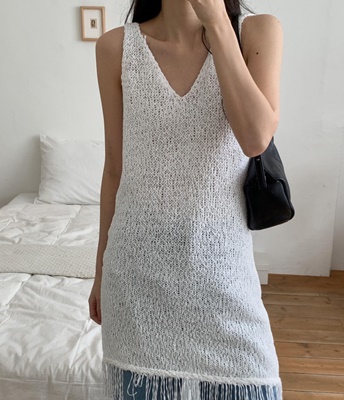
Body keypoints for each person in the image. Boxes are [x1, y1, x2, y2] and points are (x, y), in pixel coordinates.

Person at [88, 0, 284, 399]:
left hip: (225, 282)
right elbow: (114, 170)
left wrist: (216, 21)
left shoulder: (257, 32)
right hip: (135, 282)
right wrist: (100, 273)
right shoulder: (115, 48)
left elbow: (255, 139)